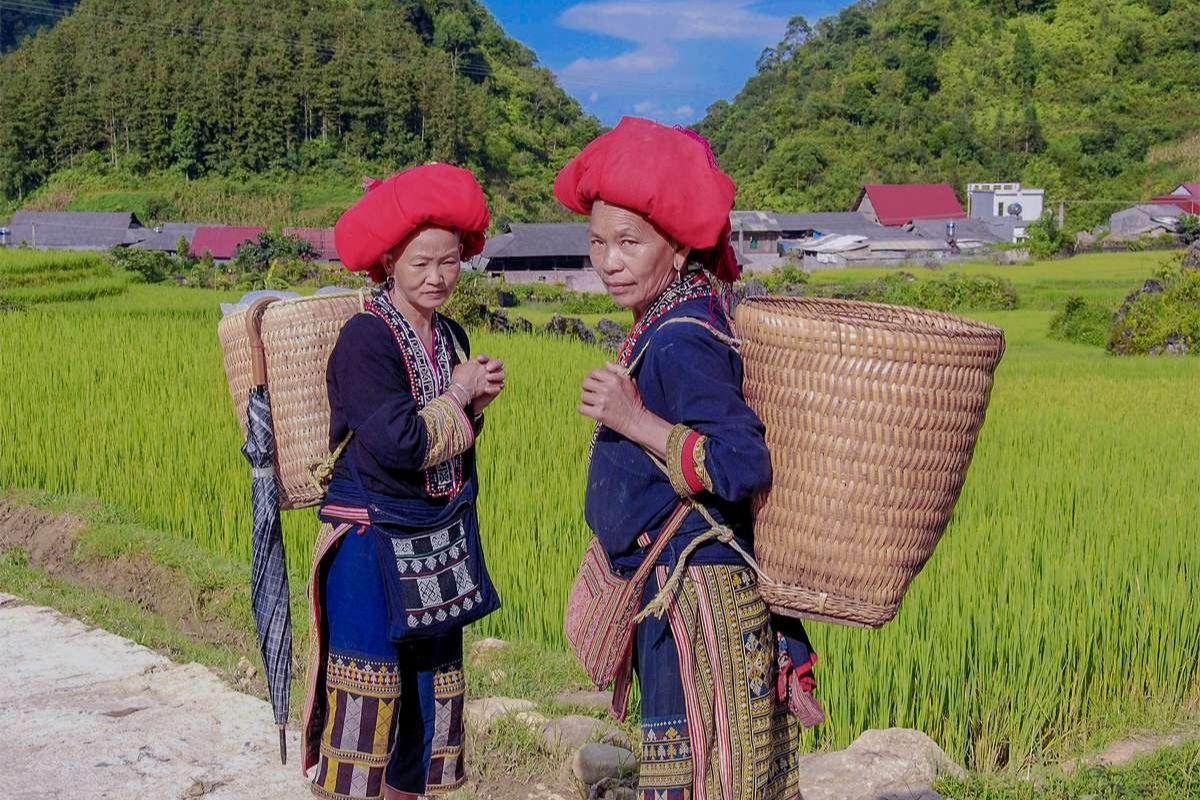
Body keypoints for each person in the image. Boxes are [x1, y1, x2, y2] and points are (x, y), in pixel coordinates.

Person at [555, 117, 822, 799]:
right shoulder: (686, 316)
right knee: (715, 773)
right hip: (683, 590)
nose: (608, 261)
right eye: (597, 243)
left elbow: (740, 463)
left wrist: (634, 419)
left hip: (695, 594)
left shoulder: (680, 340)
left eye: (628, 243)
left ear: (675, 250)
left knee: (704, 775)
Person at [302, 163, 505, 800]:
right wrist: (463, 394)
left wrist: (472, 405)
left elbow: (452, 442)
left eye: (449, 262)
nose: (437, 277)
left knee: (427, 698)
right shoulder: (366, 338)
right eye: (421, 263)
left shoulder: (450, 336)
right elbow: (399, 444)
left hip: (436, 542)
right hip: (369, 542)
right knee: (369, 693)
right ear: (389, 260)